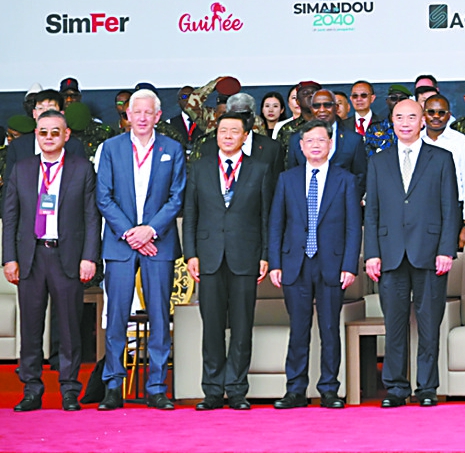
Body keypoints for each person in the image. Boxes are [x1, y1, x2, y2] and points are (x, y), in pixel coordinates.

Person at [365, 99, 461, 408]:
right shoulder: (378, 161)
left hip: (430, 253)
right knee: (394, 325)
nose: (405, 123)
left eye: (411, 117)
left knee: (429, 325)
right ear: (391, 122)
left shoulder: (441, 158)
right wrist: (371, 254)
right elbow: (372, 211)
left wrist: (447, 249)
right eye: (399, 117)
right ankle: (396, 388)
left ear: (422, 121)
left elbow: (451, 208)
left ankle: (427, 388)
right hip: (390, 253)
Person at [94, 89, 187, 411]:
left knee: (159, 316)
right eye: (138, 112)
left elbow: (176, 196)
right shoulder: (110, 148)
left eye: (149, 112)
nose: (143, 117)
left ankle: (157, 387)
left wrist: (150, 230)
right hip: (120, 243)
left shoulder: (172, 148)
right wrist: (130, 232)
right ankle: (113, 386)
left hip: (158, 243)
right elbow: (103, 196)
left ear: (158, 116)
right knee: (117, 316)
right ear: (128, 116)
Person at [3, 110, 100, 412]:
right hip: (30, 257)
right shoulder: (22, 168)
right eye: (43, 132)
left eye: (55, 132)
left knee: (69, 326)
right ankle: (31, 389)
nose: (48, 137)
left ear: (66, 135)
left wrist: (89, 257)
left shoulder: (82, 168)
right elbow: (10, 217)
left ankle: (69, 389)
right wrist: (9, 258)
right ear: (36, 134)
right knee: (31, 327)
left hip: (67, 255)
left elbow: (91, 216)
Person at [183, 112, 275, 411]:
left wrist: (265, 255)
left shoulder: (260, 169)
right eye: (223, 130)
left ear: (245, 136)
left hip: (246, 256)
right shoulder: (199, 168)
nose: (228, 136)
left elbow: (266, 217)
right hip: (208, 257)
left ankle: (236, 389)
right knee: (211, 326)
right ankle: (212, 390)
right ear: (216, 134)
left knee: (241, 325)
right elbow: (191, 213)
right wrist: (190, 254)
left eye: (234, 131)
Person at [268, 120, 362, 410]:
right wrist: (275, 263)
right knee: (298, 329)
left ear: (330, 145)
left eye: (321, 140)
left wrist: (350, 265)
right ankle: (295, 390)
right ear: (301, 146)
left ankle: (329, 390)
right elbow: (276, 224)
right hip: (294, 263)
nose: (316, 145)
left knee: (330, 329)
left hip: (331, 263)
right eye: (310, 141)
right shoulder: (287, 179)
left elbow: (353, 227)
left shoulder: (345, 179)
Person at [422, 94, 465, 248]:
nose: (436, 116)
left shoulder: (462, 143)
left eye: (441, 113)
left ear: (449, 116)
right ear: (424, 114)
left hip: (453, 211)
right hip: (420, 211)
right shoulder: (415, 141)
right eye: (431, 112)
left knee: (447, 258)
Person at [287, 89, 368, 190]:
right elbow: (292, 176)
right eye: (316, 106)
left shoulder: (353, 139)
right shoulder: (296, 139)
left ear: (336, 107)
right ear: (311, 109)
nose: (322, 109)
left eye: (327, 105)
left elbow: (360, 178)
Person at [365, 84, 413, 156]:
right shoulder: (375, 128)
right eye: (393, 98)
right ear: (387, 101)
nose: (398, 102)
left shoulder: (415, 127)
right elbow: (368, 156)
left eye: (402, 99)